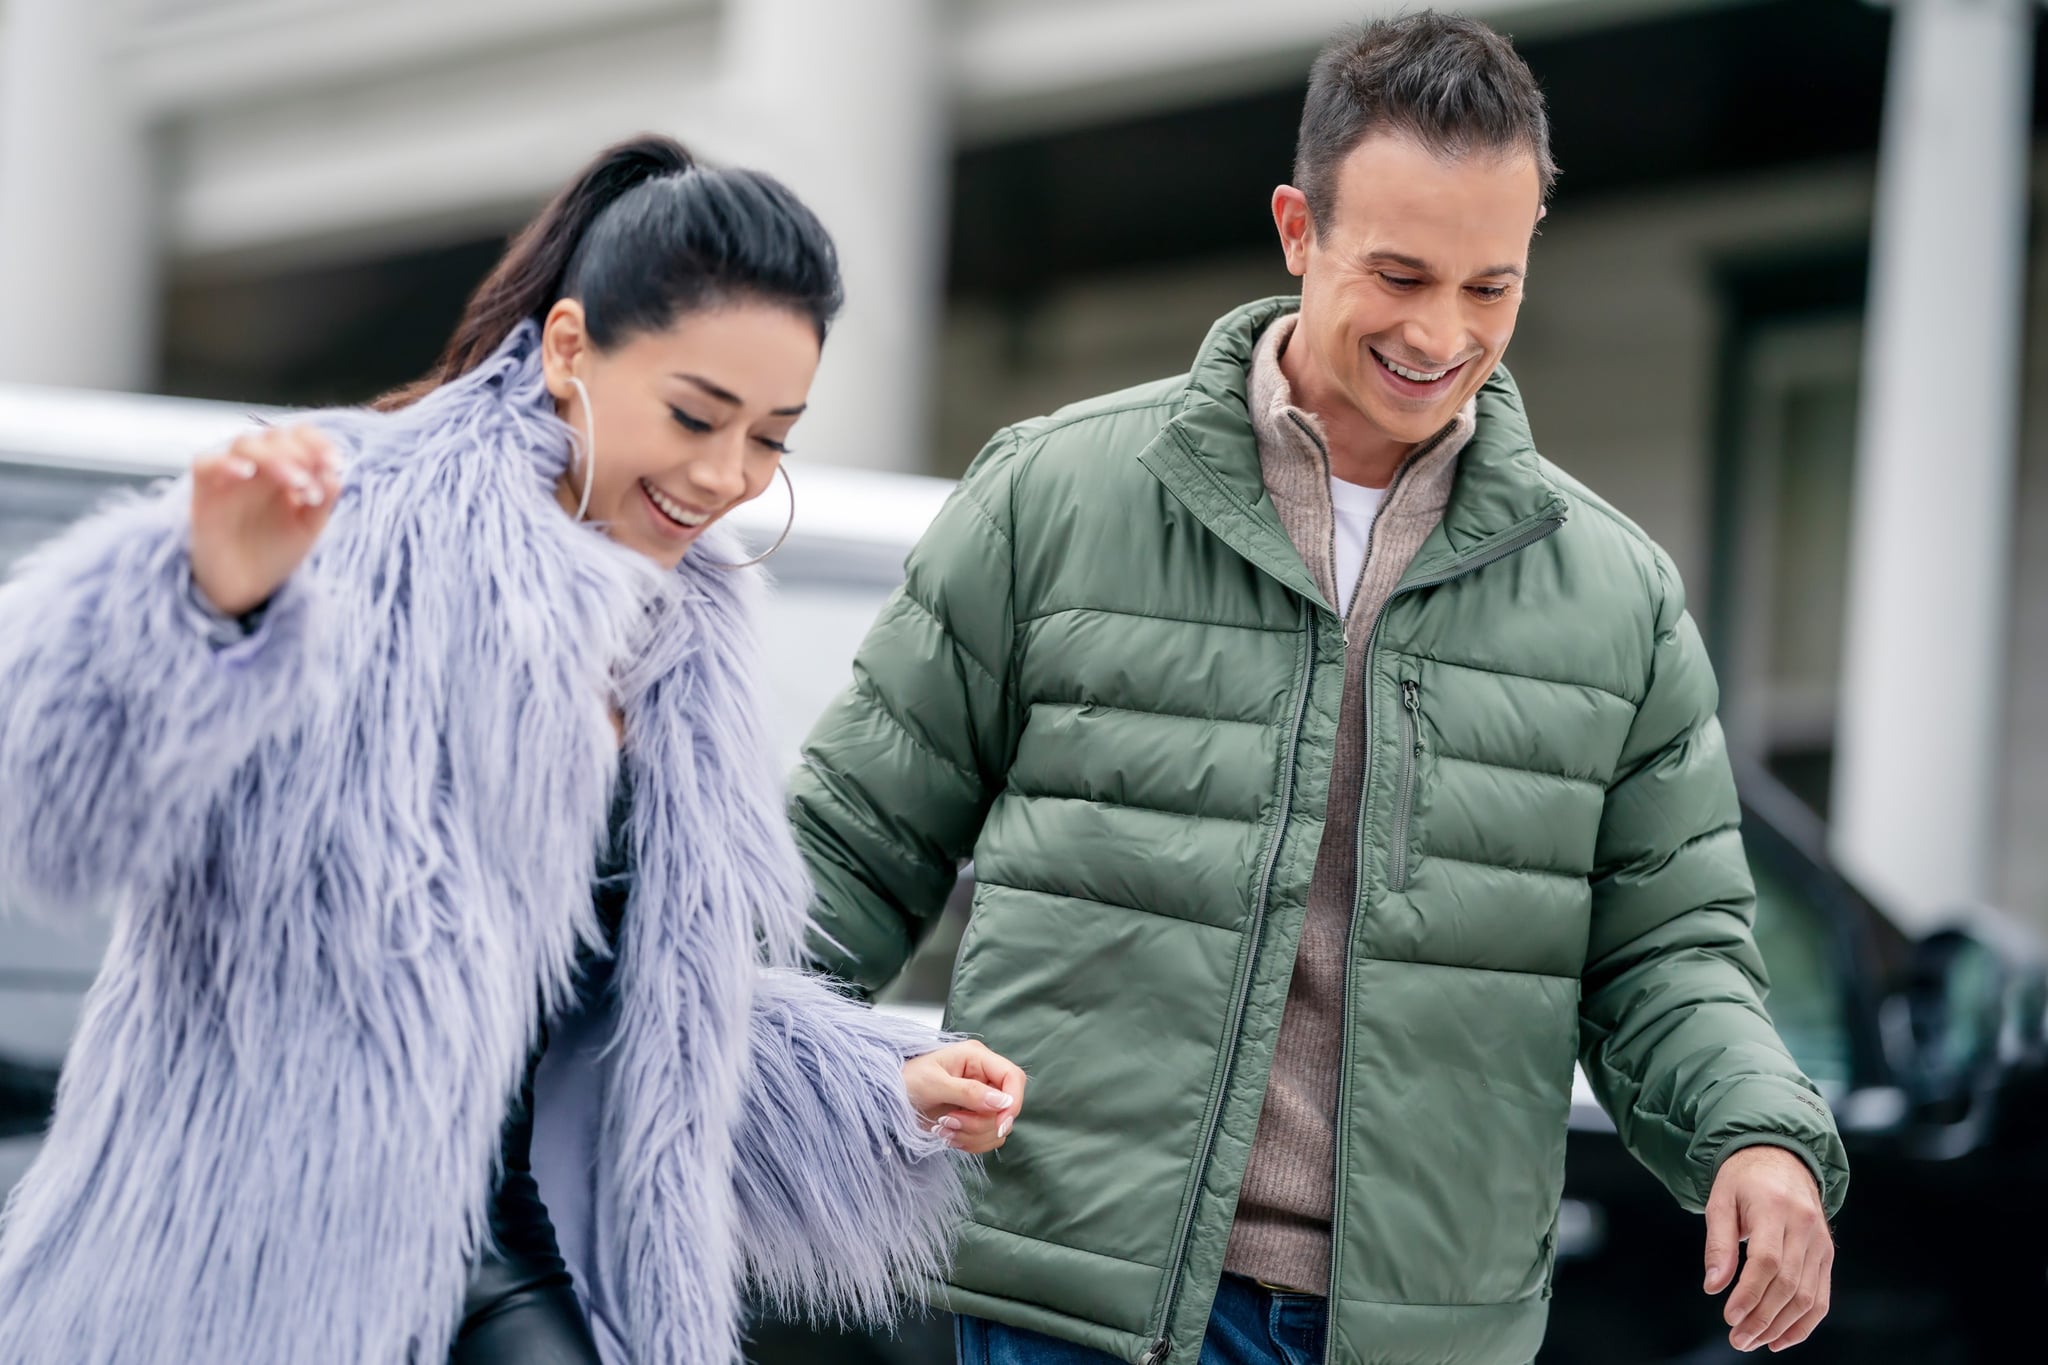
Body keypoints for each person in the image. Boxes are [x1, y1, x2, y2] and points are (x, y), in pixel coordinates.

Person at [789, 14, 1846, 1365]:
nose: (1440, 332)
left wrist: (1756, 1130)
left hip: (1421, 1329)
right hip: (1084, 1310)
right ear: (1298, 228)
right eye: (1399, 273)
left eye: (1490, 287)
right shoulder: (1051, 501)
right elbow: (849, 848)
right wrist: (697, 1073)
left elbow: (1669, 952)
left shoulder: (1614, 599)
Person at [0, 135, 1027, 1365]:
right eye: (696, 415)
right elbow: (56, 804)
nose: (724, 477)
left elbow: (638, 1021)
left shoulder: (682, 641)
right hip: (268, 1265)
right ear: (567, 350)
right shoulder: (352, 519)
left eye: (770, 438)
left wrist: (876, 1095)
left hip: (521, 1256)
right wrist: (213, 605)